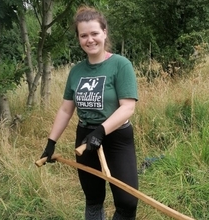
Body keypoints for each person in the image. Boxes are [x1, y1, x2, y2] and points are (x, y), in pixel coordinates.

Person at [40, 5, 139, 220]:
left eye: (94, 33)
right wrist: (51, 142)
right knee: (93, 198)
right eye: (83, 35)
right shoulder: (76, 71)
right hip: (85, 137)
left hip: (117, 137)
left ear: (104, 33)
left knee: (127, 201)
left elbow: (128, 107)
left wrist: (102, 131)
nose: (90, 39)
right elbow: (66, 109)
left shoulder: (121, 65)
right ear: (79, 39)